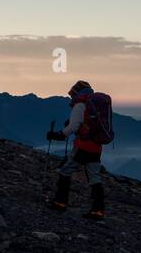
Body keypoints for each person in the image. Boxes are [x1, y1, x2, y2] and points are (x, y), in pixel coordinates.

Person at [46, 80, 108, 220]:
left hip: (83, 146)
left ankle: (60, 202)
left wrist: (59, 135)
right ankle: (98, 210)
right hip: (96, 147)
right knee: (94, 177)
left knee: (65, 171)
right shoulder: (94, 105)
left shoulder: (80, 105)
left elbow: (74, 126)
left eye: (72, 93)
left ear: (76, 92)